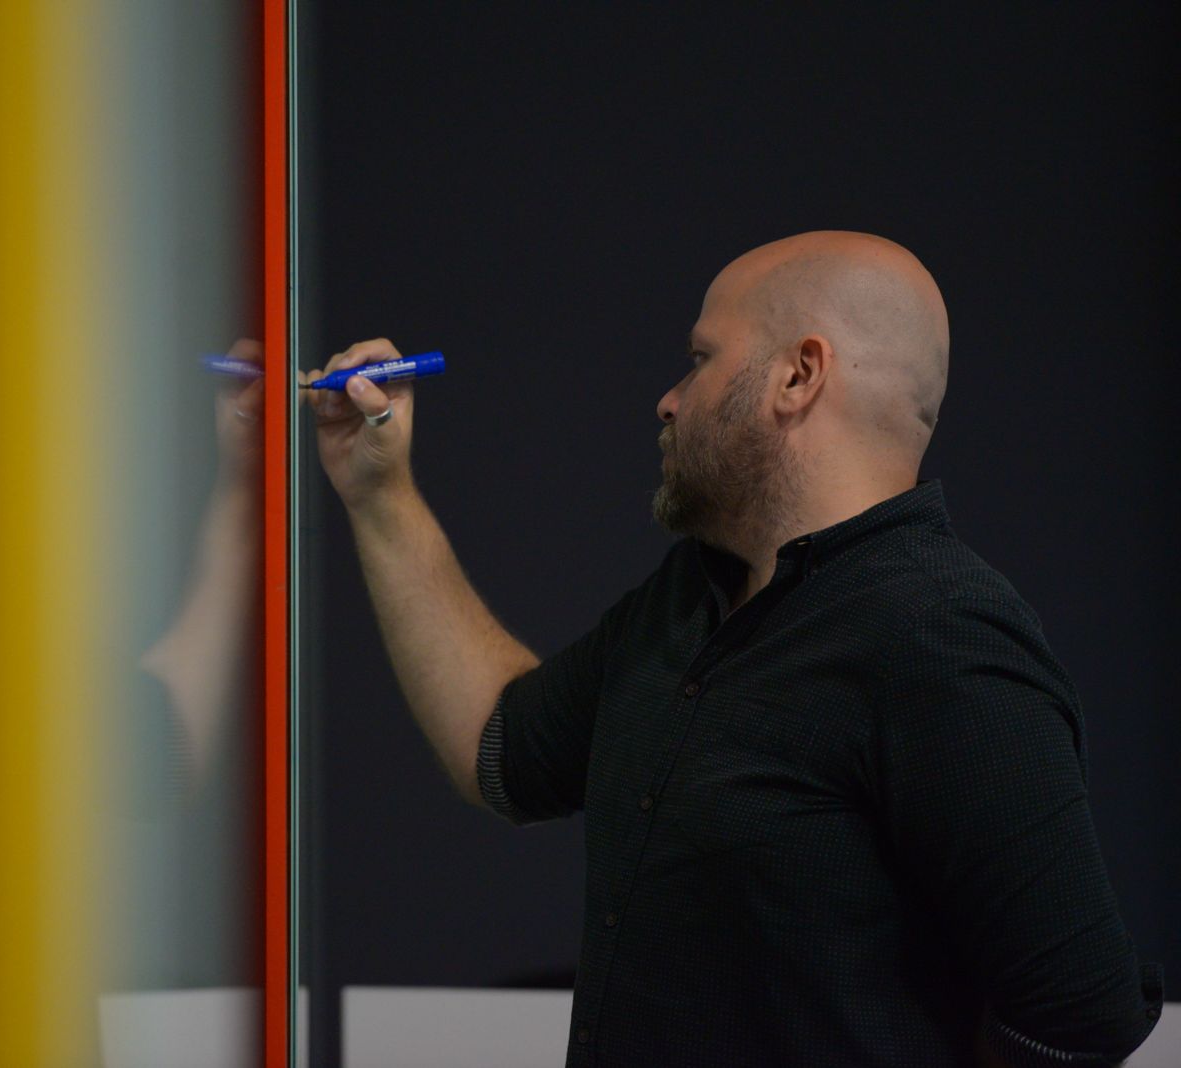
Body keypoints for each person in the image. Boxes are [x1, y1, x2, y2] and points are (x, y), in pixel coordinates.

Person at [300, 231, 1163, 1066]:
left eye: (701, 358)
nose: (668, 399)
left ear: (799, 374)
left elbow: (1076, 1014)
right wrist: (379, 494)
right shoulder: (689, 599)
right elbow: (497, 747)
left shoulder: (940, 632)